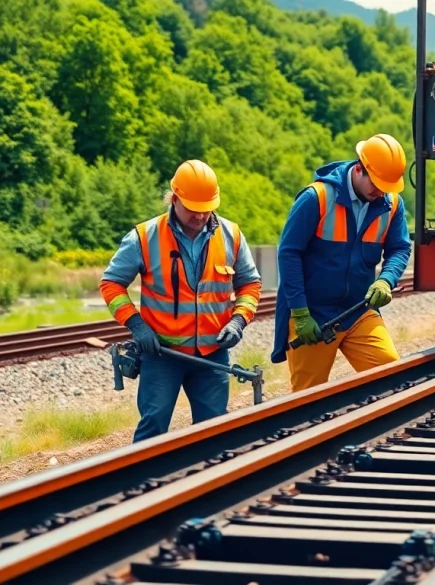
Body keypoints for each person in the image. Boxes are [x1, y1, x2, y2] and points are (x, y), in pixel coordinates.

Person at [99, 159, 262, 442]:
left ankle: (208, 472)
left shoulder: (231, 235)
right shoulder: (144, 237)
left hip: (212, 354)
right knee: (153, 427)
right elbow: (111, 284)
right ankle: (145, 472)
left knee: (214, 431)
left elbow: (250, 284)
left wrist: (238, 321)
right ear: (174, 198)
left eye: (206, 209)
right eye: (192, 209)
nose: (200, 216)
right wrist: (137, 325)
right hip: (163, 354)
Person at [270, 133, 412, 391]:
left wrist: (386, 279)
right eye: (377, 184)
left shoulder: (391, 204)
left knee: (389, 374)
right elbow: (289, 253)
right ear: (359, 169)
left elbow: (400, 248)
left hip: (358, 311)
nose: (381, 191)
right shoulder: (316, 198)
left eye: (386, 186)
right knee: (307, 398)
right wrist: (300, 313)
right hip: (314, 316)